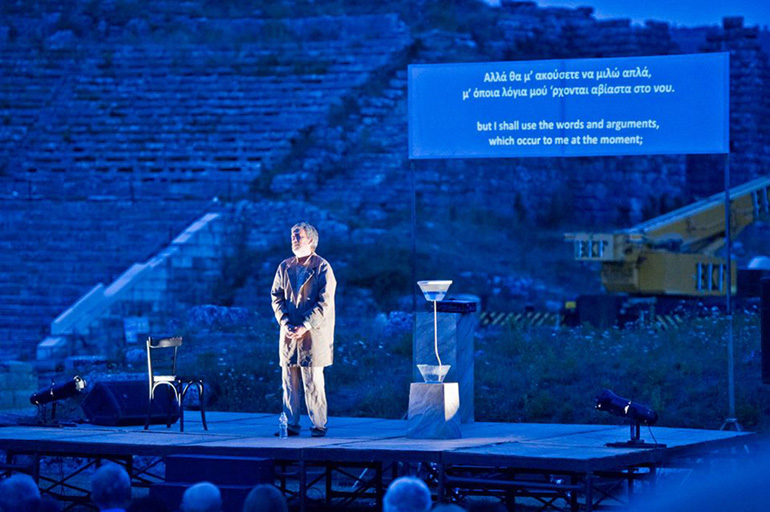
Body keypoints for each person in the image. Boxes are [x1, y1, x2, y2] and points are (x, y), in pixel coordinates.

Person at [271, 222, 336, 438]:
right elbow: (276, 297)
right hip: (289, 332)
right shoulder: (284, 266)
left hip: (313, 334)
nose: (294, 239)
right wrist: (285, 322)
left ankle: (319, 425)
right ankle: (291, 424)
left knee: (313, 381)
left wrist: (306, 324)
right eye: (292, 235)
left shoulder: (322, 267)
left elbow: (325, 302)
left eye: (298, 235)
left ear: (310, 239)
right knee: (289, 381)